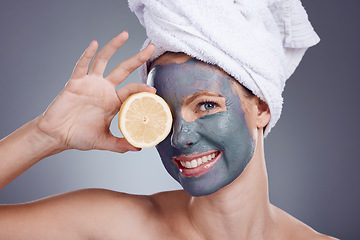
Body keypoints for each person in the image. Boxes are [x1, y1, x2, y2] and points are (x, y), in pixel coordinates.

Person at [0, 1, 338, 240]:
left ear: (262, 107)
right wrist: (44, 135)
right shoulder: (119, 228)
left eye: (206, 105)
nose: (180, 137)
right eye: (163, 110)